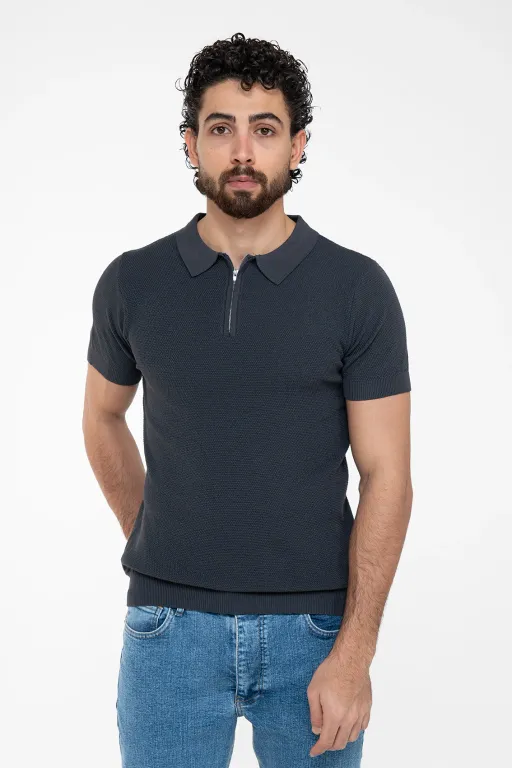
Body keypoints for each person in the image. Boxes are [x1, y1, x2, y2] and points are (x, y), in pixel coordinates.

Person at [83, 31, 413, 767]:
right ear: (191, 144)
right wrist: (153, 530)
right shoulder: (133, 283)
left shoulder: (356, 289)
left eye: (264, 130)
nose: (241, 152)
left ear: (297, 146)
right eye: (220, 128)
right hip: (166, 632)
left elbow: (387, 474)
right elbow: (102, 416)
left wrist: (355, 653)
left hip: (314, 634)